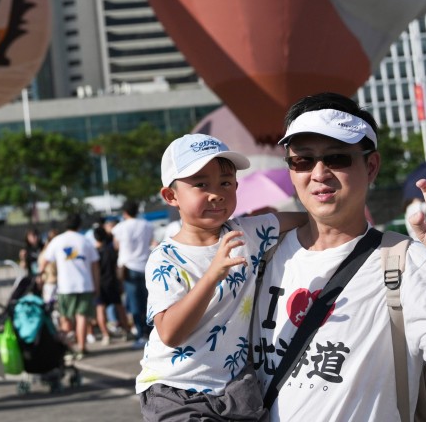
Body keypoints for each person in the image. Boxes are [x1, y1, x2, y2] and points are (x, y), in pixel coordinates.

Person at [250, 93, 426, 420]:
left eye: (337, 158)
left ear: (371, 166)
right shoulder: (261, 256)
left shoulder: (406, 264)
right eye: (303, 160)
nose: (319, 173)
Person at [136, 133, 306, 419]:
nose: (216, 193)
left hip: (236, 388)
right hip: (175, 388)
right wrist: (213, 274)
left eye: (225, 183)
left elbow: (310, 219)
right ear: (170, 196)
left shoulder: (250, 231)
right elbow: (170, 333)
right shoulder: (165, 258)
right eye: (201, 184)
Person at [39, 214, 99, 360]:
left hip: (65, 285)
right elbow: (95, 265)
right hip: (85, 284)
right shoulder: (85, 240)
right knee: (82, 317)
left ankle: (67, 348)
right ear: (79, 225)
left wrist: (40, 276)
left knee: (65, 318)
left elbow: (44, 261)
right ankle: (82, 347)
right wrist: (97, 284)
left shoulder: (57, 241)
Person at [113, 201, 154, 349]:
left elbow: (116, 245)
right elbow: (150, 242)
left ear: (125, 212)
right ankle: (151, 333)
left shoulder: (120, 227)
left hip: (128, 267)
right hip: (145, 265)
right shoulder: (147, 225)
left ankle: (140, 334)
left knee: (134, 304)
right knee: (149, 301)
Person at [92, 225, 128, 345]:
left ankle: (105, 335)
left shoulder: (94, 252)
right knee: (119, 307)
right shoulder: (110, 250)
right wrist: (120, 282)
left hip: (99, 284)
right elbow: (116, 267)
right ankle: (127, 331)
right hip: (112, 282)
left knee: (100, 309)